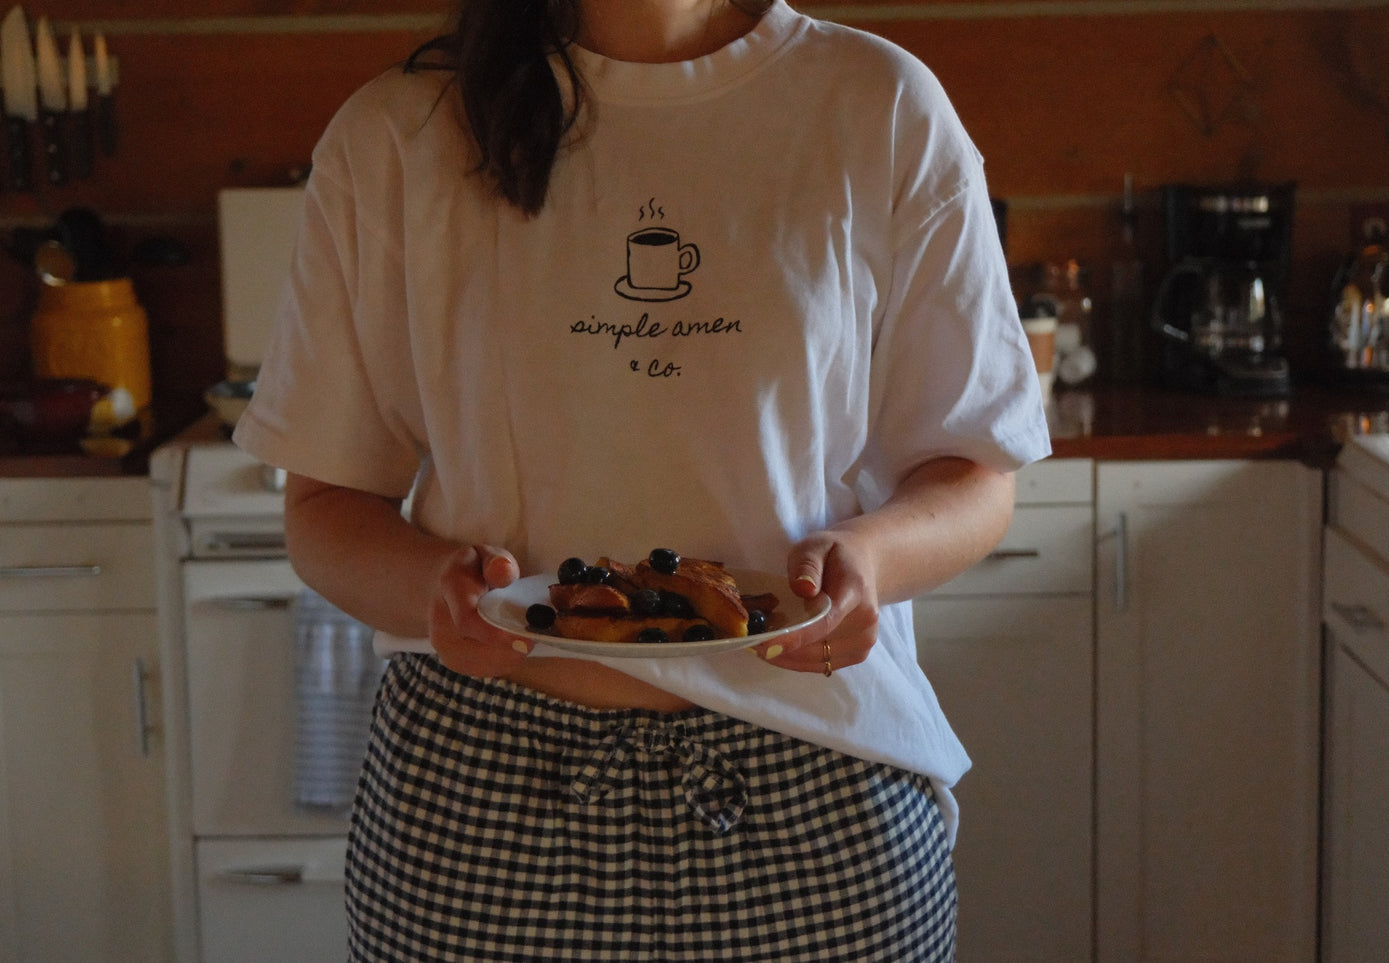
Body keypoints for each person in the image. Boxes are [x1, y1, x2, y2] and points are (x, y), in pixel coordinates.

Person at [233, 0, 1051, 959]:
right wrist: (429, 589)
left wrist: (872, 556)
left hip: (817, 781)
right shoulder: (397, 133)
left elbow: (974, 469)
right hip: (480, 800)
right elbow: (326, 506)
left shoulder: (877, 105)